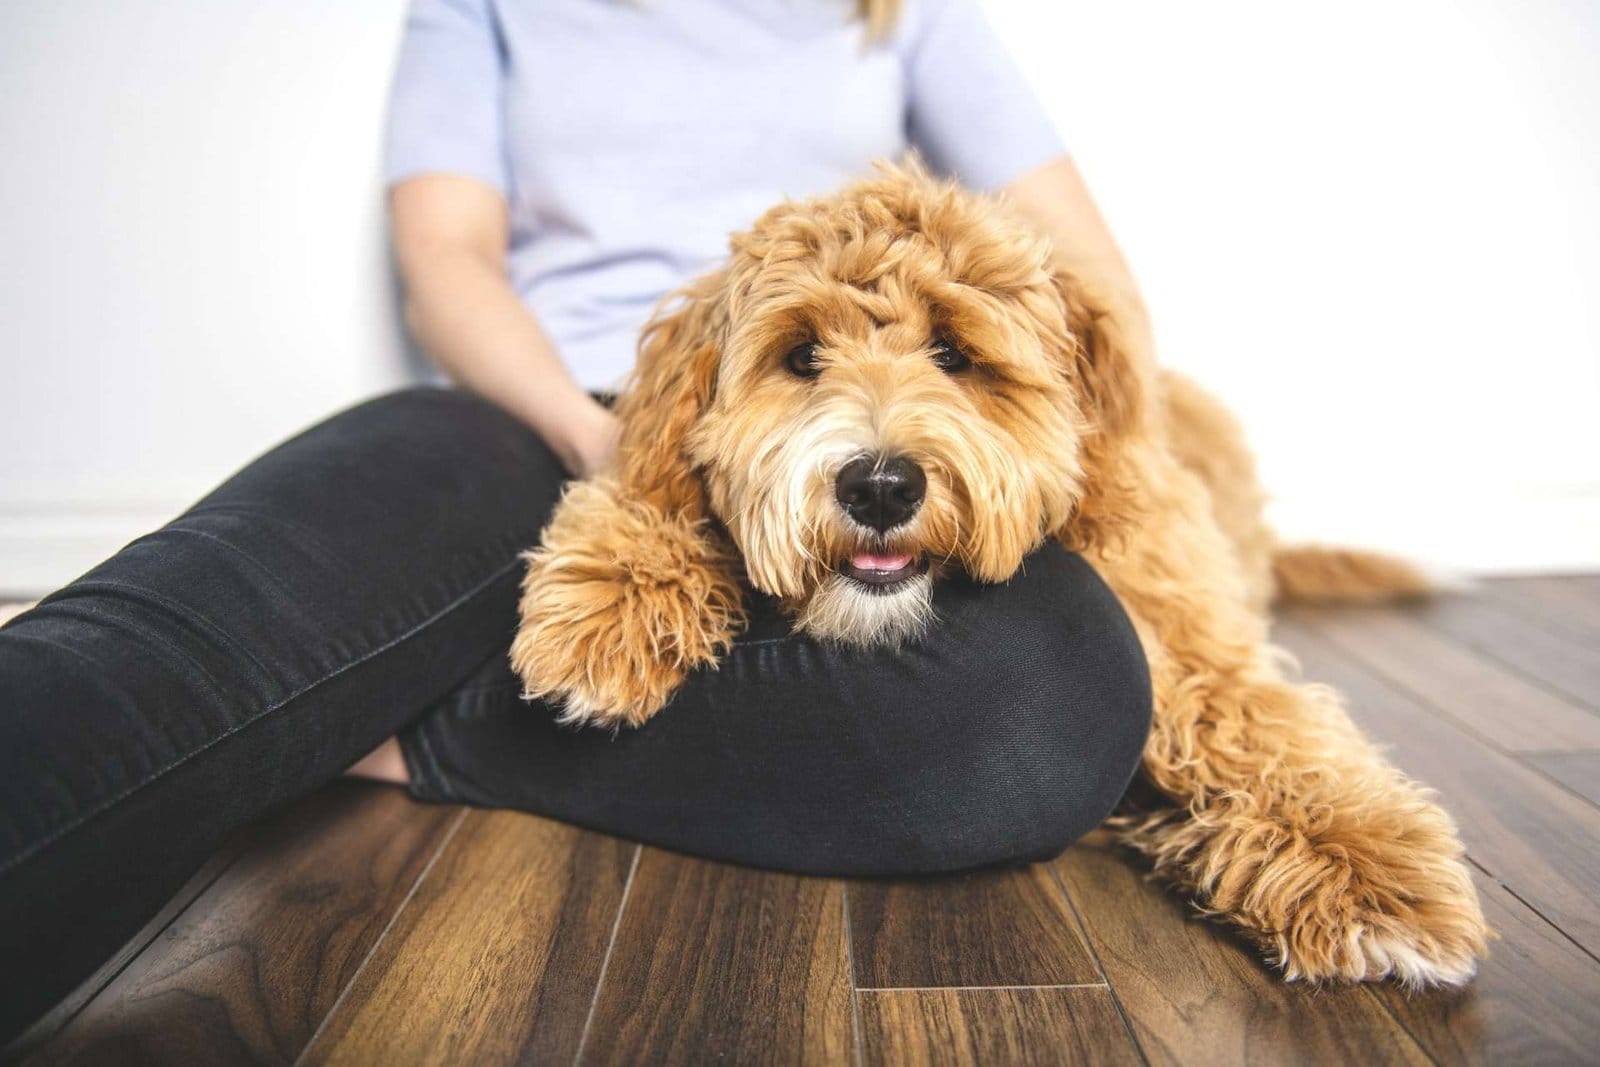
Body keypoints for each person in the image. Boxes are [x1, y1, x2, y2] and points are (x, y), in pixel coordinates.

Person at [0, 0, 1152, 1044]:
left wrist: (1035, 439)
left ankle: (403, 724)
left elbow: (1088, 274)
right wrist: (609, 445)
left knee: (1063, 683)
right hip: (540, 411)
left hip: (857, 448)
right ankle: (334, 686)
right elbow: (446, 254)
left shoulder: (904, 12)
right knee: (176, 638)